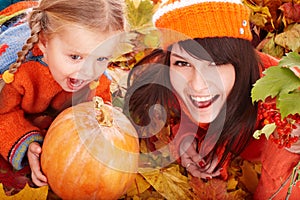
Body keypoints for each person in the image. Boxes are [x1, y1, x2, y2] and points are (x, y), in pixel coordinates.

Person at [124, 0, 300, 198]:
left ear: (240, 61)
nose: (198, 84)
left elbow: (281, 191)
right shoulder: (166, 77)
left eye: (215, 64)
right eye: (183, 63)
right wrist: (183, 135)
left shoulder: (284, 102)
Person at [0, 0, 125, 187]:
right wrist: (26, 144)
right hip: (10, 16)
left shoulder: (96, 79)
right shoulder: (15, 72)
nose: (87, 71)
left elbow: (99, 114)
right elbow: (3, 113)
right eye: (75, 57)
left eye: (100, 58)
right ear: (43, 42)